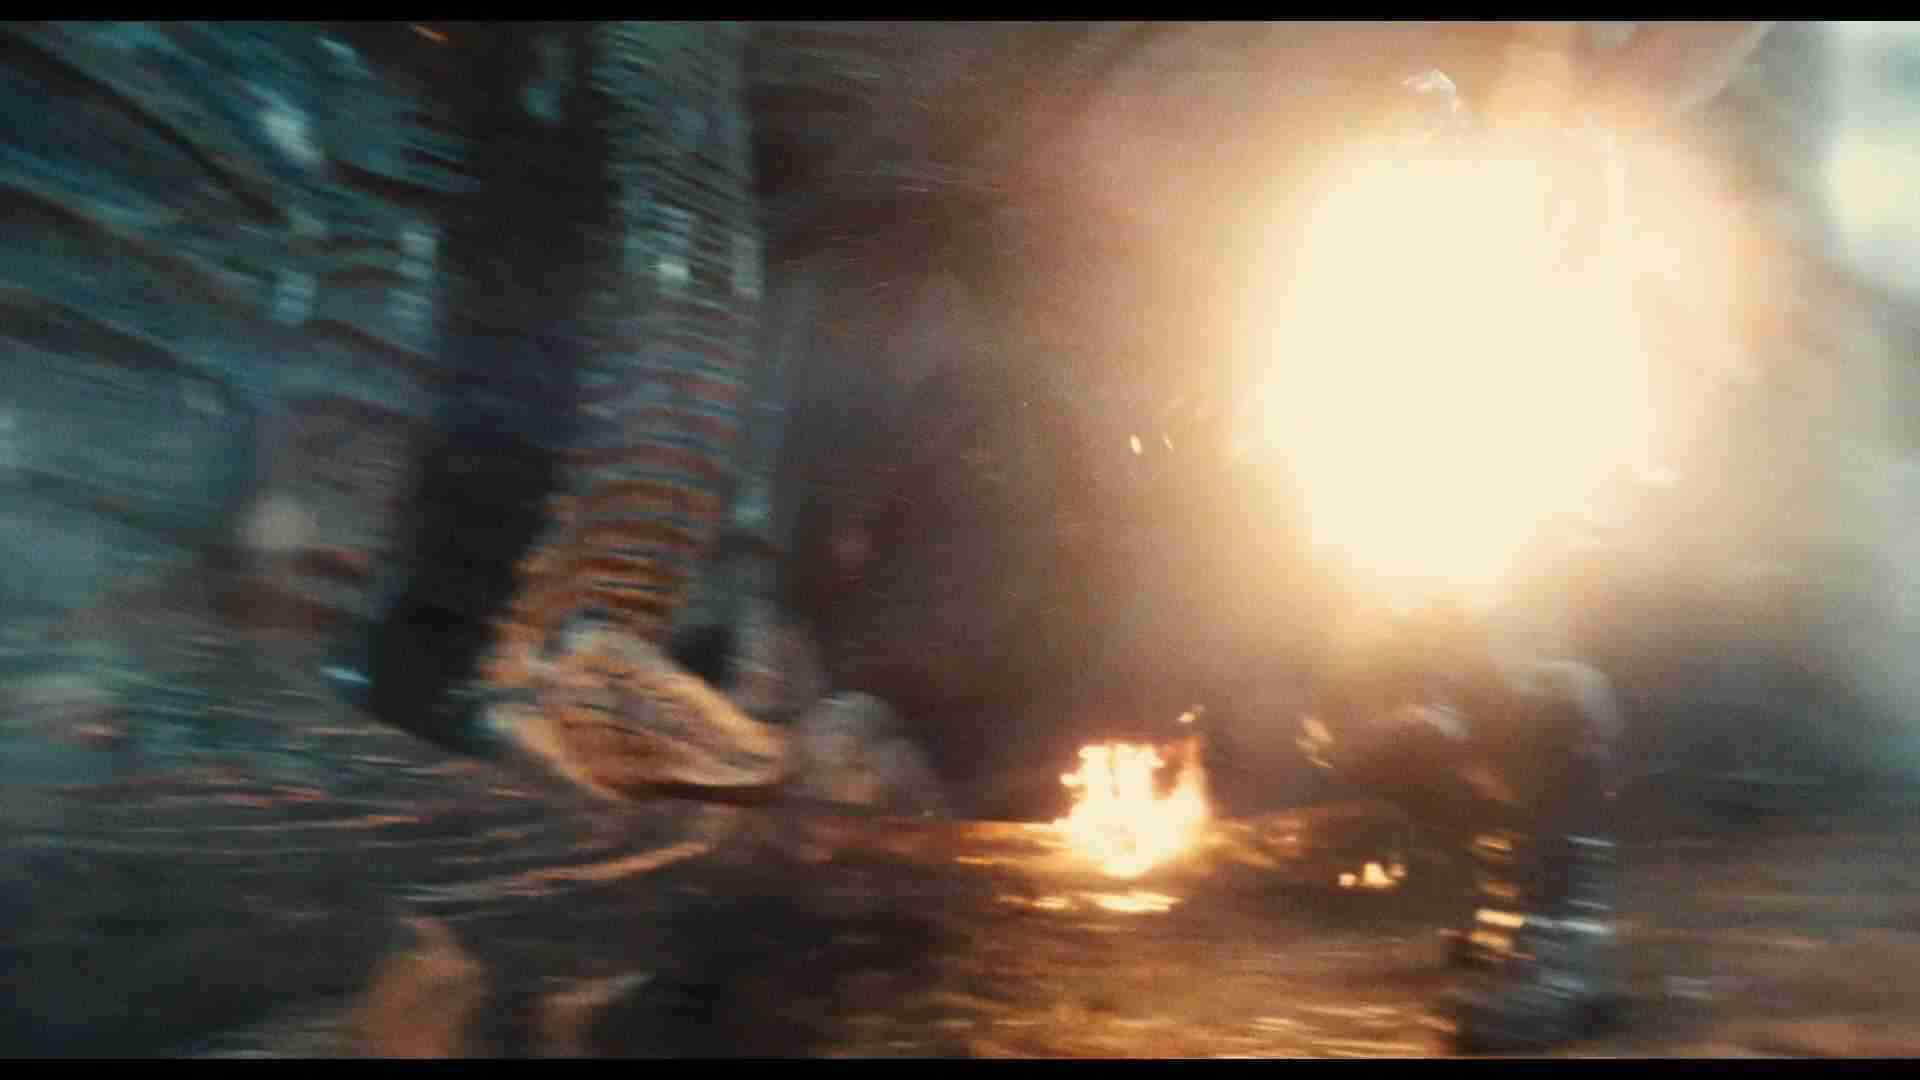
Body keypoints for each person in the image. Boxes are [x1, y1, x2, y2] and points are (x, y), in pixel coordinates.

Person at [1293, 22, 1778, 1052]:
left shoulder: (1584, 156)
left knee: (1525, 678)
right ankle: (1511, 885)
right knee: (1357, 711)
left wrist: (1592, 110)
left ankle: (1555, 946)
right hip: (1446, 411)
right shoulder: (1414, 151)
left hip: (1582, 408)